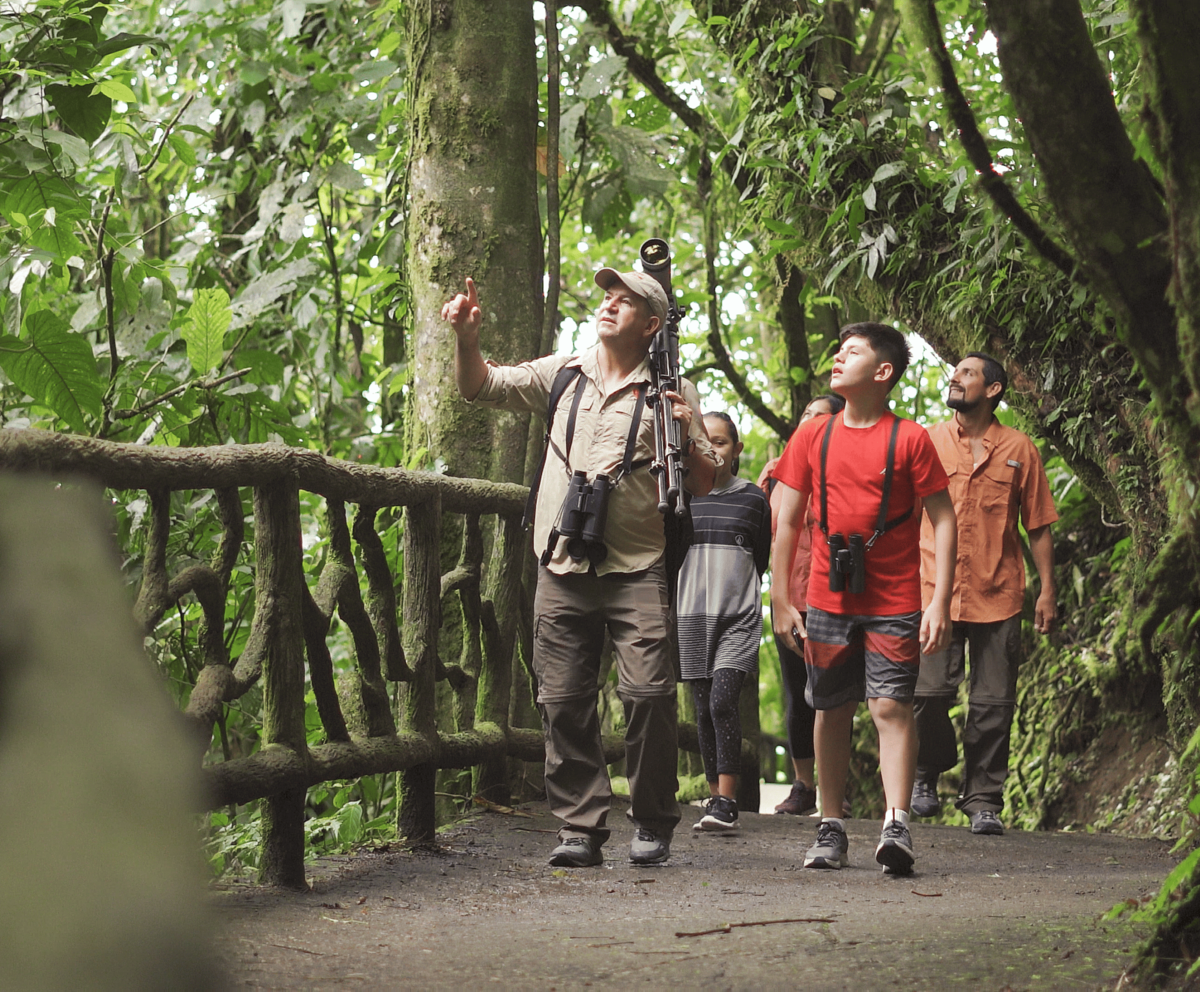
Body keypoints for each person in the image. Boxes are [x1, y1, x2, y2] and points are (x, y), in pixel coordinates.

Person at [442, 269, 718, 868]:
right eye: (607, 297)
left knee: (649, 694)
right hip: (561, 560)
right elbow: (480, 386)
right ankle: (580, 826)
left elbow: (704, 480)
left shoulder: (673, 390)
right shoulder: (564, 371)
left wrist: (688, 431)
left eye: (627, 301)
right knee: (562, 697)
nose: (610, 305)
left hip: (638, 564)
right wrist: (466, 338)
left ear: (652, 325)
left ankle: (652, 818)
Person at [770, 322, 957, 875]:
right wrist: (781, 598)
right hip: (827, 596)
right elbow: (787, 519)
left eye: (851, 351)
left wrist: (939, 601)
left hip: (895, 597)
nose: (837, 357)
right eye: (838, 349)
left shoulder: (911, 438)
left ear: (883, 371)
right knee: (830, 706)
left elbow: (944, 519)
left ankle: (896, 823)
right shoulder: (814, 435)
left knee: (890, 705)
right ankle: (830, 825)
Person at [911, 353, 1058, 835]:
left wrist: (1047, 591)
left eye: (967, 373)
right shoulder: (928, 441)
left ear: (992, 389)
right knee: (927, 693)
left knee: (994, 703)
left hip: (999, 591)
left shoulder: (1019, 448)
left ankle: (983, 799)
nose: (955, 377)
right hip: (932, 591)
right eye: (955, 371)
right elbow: (904, 514)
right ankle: (926, 770)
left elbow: (1038, 525)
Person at [678, 412, 772, 832]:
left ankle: (728, 800)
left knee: (721, 702)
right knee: (702, 710)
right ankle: (716, 797)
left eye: (720, 442)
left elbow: (760, 559)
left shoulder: (753, 499)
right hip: (690, 615)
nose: (712, 449)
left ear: (736, 450)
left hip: (738, 617)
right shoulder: (680, 497)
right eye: (705, 441)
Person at [756, 394, 847, 817]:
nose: (809, 421)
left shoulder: (847, 466)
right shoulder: (776, 473)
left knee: (835, 695)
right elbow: (764, 531)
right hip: (789, 598)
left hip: (836, 596)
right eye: (806, 414)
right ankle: (803, 786)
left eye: (820, 416)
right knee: (797, 693)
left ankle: (835, 790)